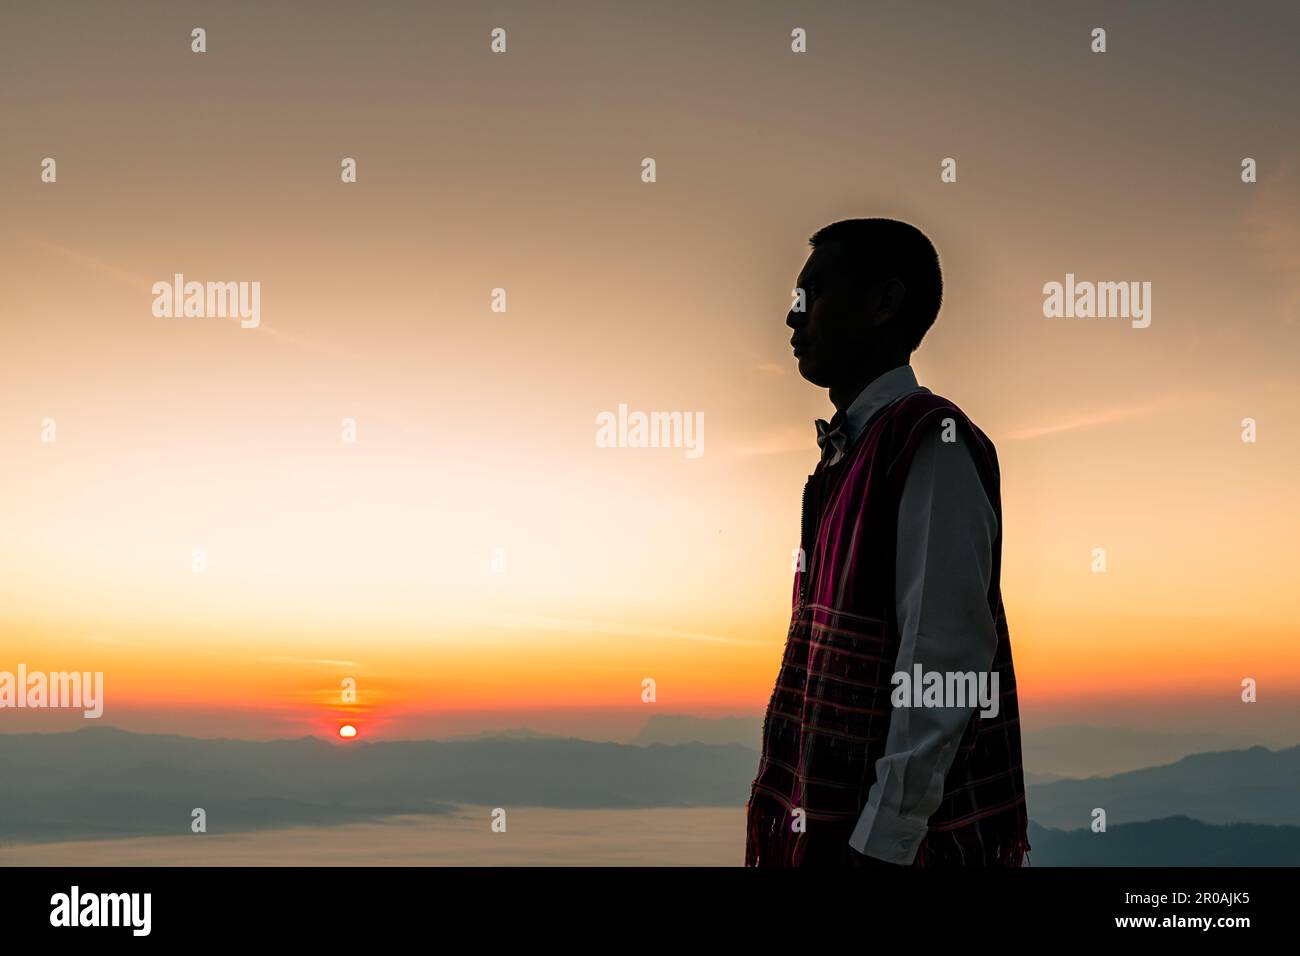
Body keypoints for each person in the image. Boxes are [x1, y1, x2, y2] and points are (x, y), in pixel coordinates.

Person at [745, 218, 1030, 867]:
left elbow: (946, 661)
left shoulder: (930, 440)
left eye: (812, 294)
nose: (793, 317)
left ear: (884, 302)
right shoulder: (852, 456)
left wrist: (881, 845)